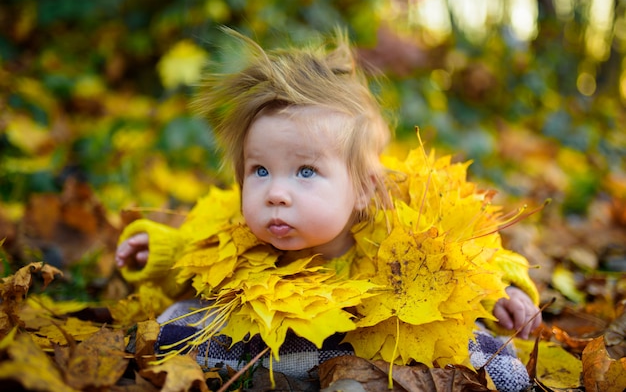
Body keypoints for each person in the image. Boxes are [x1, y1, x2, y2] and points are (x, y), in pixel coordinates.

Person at [116, 28, 542, 392]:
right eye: (260, 170)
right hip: (270, 325)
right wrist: (160, 252)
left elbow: (472, 255)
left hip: (383, 329)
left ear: (362, 189)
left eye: (305, 171)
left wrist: (506, 289)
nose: (275, 193)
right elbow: (201, 253)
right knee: (176, 322)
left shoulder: (404, 230)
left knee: (478, 348)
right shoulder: (241, 227)